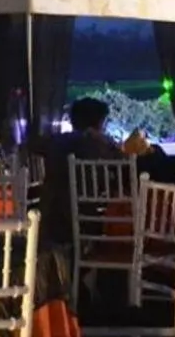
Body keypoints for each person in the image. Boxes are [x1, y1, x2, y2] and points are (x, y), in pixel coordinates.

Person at [35, 97, 124, 247]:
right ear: (98, 123)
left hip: (50, 214)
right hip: (85, 218)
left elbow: (35, 145)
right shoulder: (97, 144)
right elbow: (119, 168)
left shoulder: (57, 141)